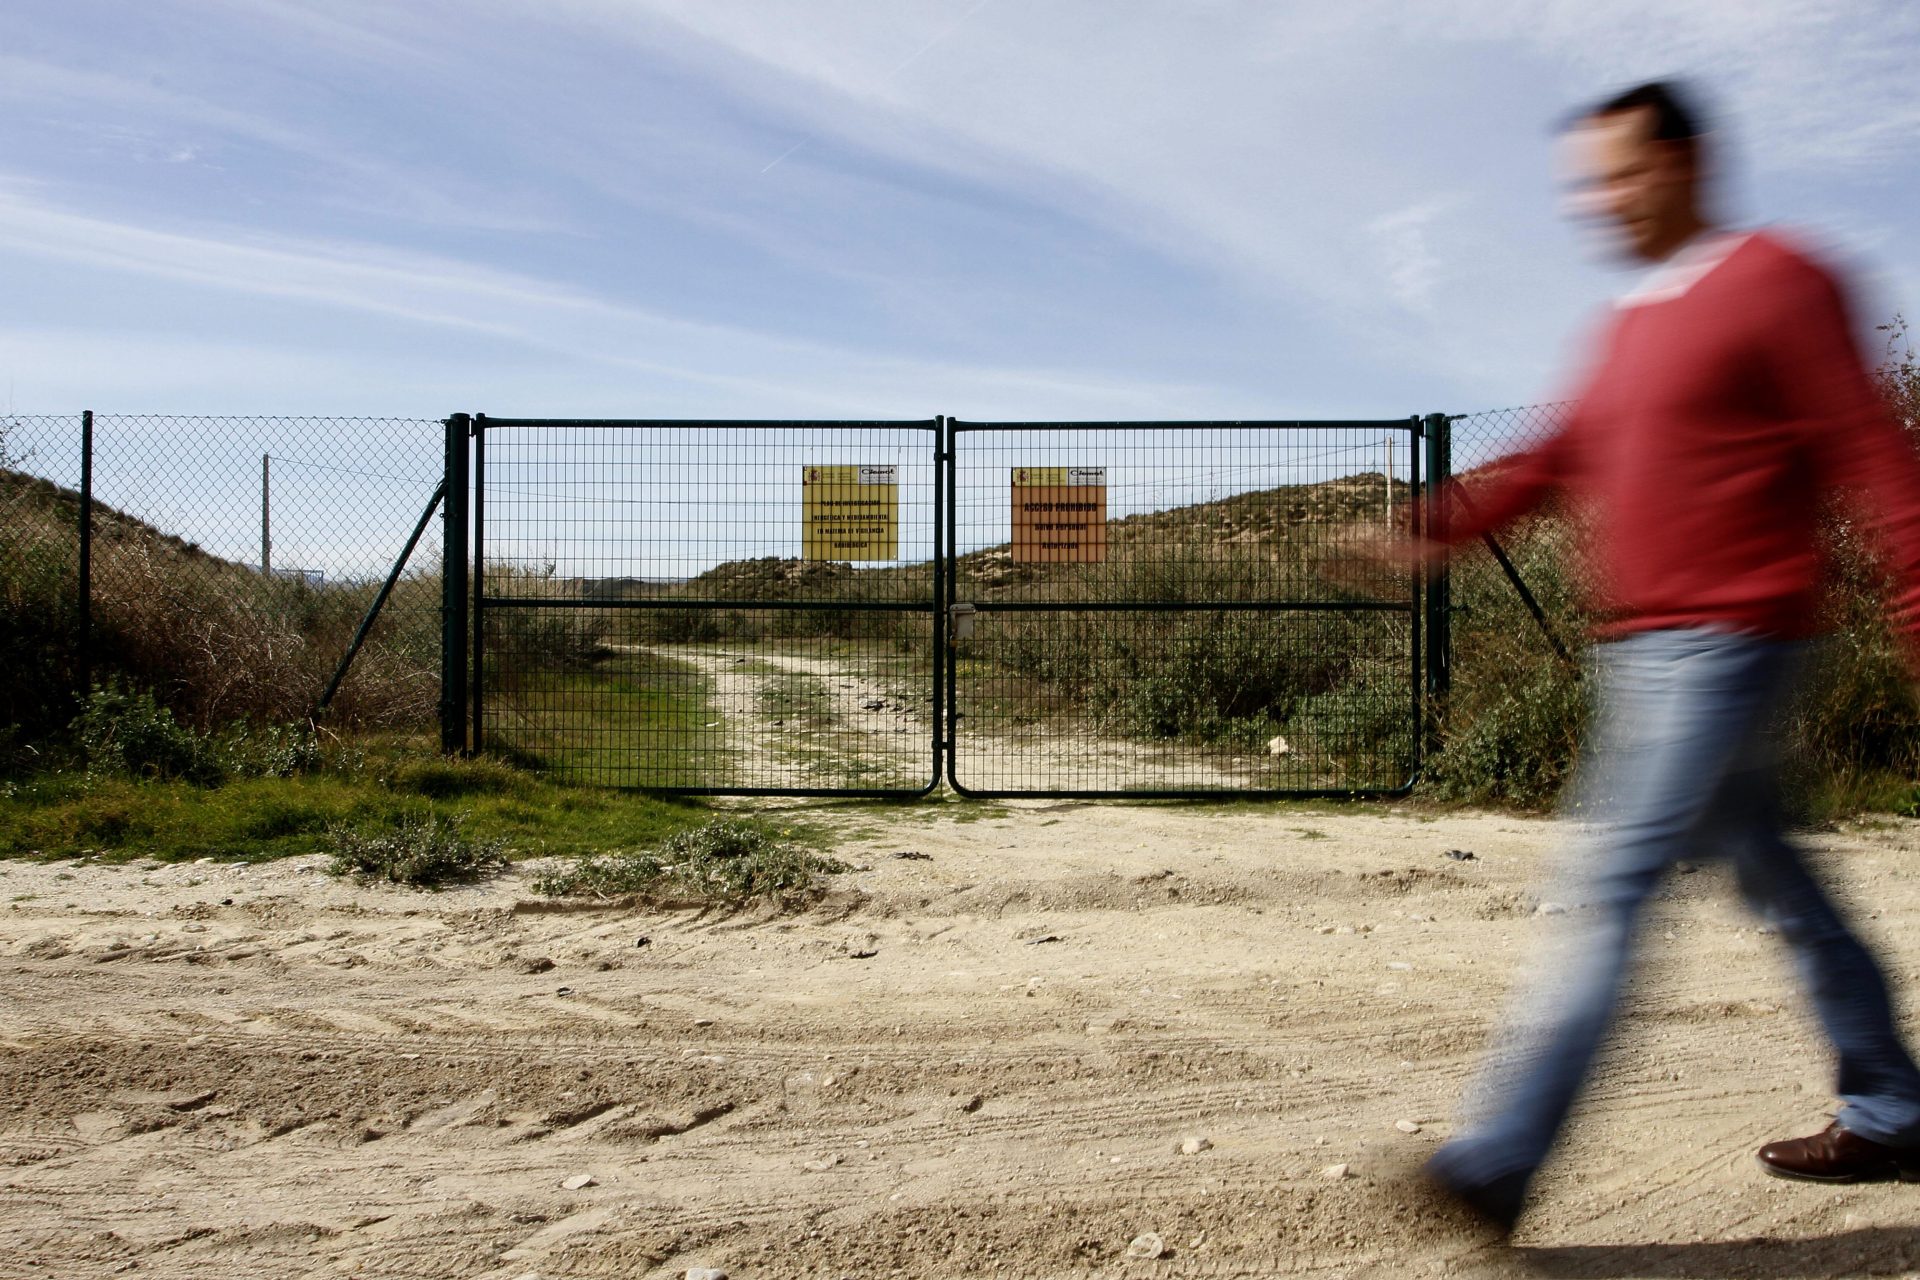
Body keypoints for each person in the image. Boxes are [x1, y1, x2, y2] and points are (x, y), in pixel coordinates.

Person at [1361, 80, 1920, 1234]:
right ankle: (1894, 1103)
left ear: (1688, 161)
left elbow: (1873, 458)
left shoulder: (1782, 280)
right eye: (1590, 182)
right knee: (1785, 882)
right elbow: (1554, 457)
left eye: (1620, 173)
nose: (1599, 202)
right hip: (1643, 651)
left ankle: (1499, 1159)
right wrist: (1431, 529)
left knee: (1610, 886)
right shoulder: (1628, 326)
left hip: (1730, 640)